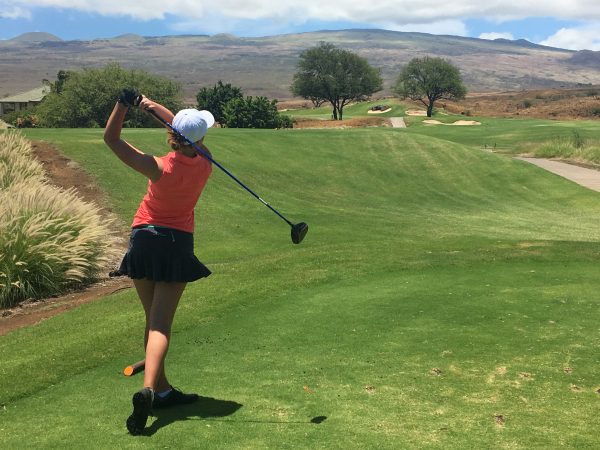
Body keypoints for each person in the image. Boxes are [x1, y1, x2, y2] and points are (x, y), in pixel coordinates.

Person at [104, 91, 215, 435]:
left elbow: (111, 139)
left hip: (143, 239)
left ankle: (161, 390)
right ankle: (151, 390)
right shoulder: (207, 159)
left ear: (171, 134)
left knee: (152, 320)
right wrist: (149, 104)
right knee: (160, 325)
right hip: (176, 243)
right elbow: (182, 130)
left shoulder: (156, 166)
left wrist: (126, 104)